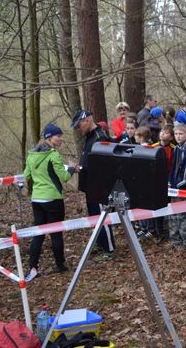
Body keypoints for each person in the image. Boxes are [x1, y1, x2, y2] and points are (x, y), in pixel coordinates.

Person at [23, 123, 77, 281]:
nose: (61, 139)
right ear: (48, 137)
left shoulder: (32, 155)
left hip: (37, 200)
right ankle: (60, 265)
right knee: (56, 233)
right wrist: (73, 168)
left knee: (38, 234)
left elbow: (26, 174)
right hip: (53, 199)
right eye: (58, 136)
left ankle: (33, 268)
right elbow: (65, 177)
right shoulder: (54, 155)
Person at [71, 110, 115, 259]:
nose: (79, 129)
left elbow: (103, 163)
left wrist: (82, 168)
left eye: (79, 125)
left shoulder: (99, 137)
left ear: (88, 120)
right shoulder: (89, 138)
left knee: (103, 217)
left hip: (100, 186)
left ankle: (109, 249)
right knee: (94, 216)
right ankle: (100, 243)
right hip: (90, 186)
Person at [168, 124, 186, 248]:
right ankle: (175, 240)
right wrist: (170, 183)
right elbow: (173, 167)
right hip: (174, 188)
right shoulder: (176, 148)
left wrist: (179, 185)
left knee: (184, 215)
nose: (178, 137)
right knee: (173, 214)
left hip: (184, 188)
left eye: (181, 134)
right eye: (176, 134)